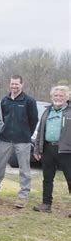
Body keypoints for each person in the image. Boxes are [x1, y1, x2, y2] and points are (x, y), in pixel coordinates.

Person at [0, 75, 38, 208]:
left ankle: (23, 195)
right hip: (5, 139)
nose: (14, 86)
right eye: (12, 84)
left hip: (23, 140)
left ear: (22, 84)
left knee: (24, 169)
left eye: (17, 84)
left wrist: (26, 134)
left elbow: (34, 120)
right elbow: (5, 117)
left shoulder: (29, 101)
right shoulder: (5, 100)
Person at [33, 85, 71, 215]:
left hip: (66, 151)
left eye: (61, 96)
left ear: (67, 97)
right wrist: (37, 149)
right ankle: (46, 204)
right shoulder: (47, 111)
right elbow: (40, 131)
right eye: (56, 95)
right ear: (52, 97)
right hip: (48, 148)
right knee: (47, 178)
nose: (58, 98)